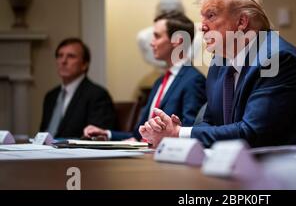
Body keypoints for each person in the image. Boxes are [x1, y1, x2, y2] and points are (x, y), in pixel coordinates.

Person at [139, 0, 296, 151]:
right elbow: (209, 122)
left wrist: (180, 133)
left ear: (242, 22)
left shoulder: (277, 58)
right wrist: (179, 132)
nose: (202, 26)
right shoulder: (220, 61)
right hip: (250, 168)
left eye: (211, 15)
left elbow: (253, 134)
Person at [84, 11, 206, 141]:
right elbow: (138, 135)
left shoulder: (194, 80)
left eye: (157, 36)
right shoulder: (159, 82)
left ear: (178, 41)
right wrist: (107, 134)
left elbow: (189, 131)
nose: (151, 43)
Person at [40, 38, 115, 138]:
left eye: (71, 56)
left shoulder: (98, 95)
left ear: (84, 64)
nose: (63, 61)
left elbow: (96, 136)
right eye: (60, 56)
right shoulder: (50, 96)